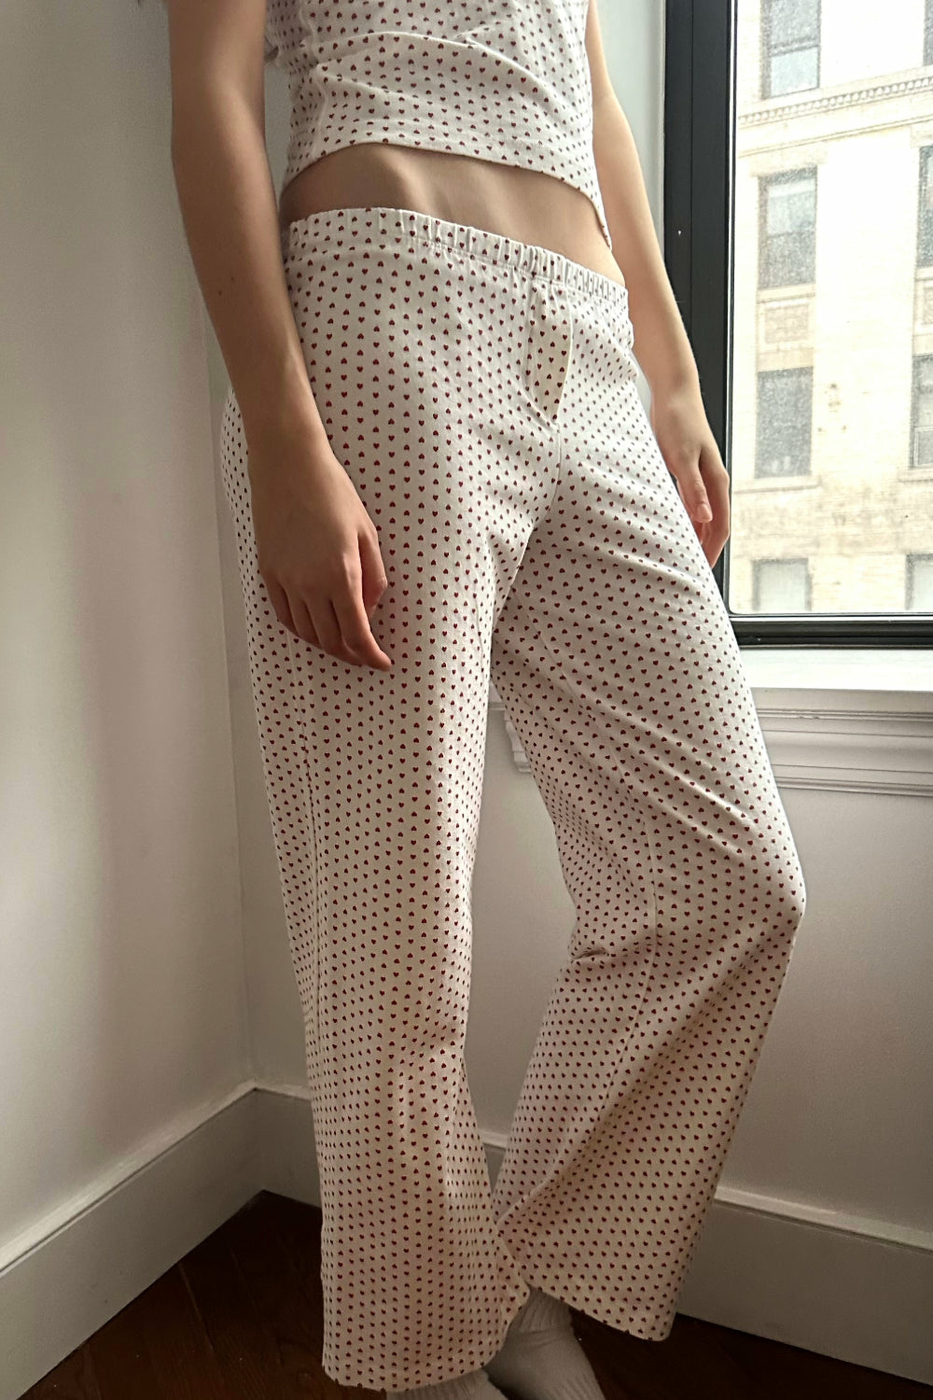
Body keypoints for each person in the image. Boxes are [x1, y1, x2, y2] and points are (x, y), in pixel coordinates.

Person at [165, 2, 808, 1398]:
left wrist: (672, 370)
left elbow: (594, 105)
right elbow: (211, 91)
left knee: (728, 881)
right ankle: (424, 1348)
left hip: (591, 347)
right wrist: (281, 434)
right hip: (381, 309)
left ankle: (506, 1279)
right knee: (390, 930)